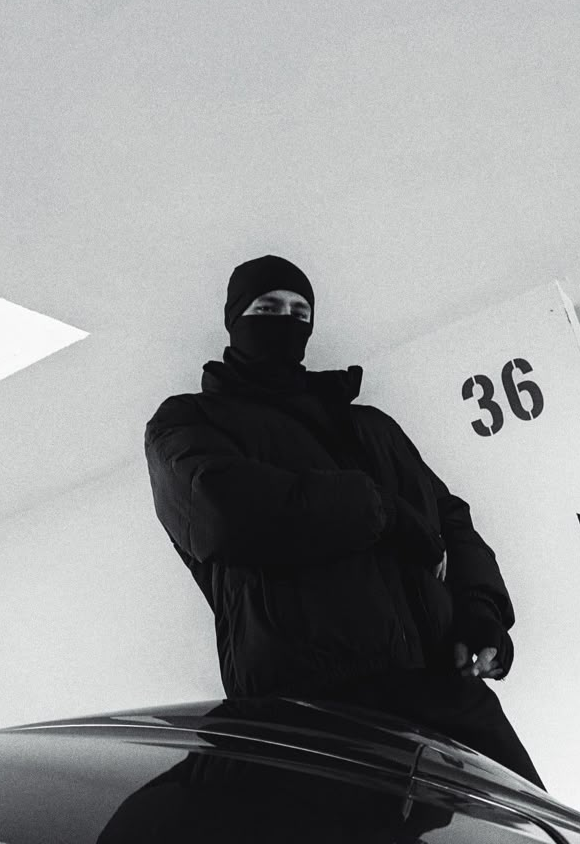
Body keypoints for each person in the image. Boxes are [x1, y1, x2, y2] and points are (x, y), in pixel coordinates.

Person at [144, 254, 545, 788]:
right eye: (267, 307)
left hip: (446, 694)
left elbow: (452, 521)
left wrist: (482, 614)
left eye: (299, 311)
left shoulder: (371, 427)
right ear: (235, 319)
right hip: (313, 714)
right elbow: (222, 513)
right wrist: (381, 511)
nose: (285, 320)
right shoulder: (189, 421)